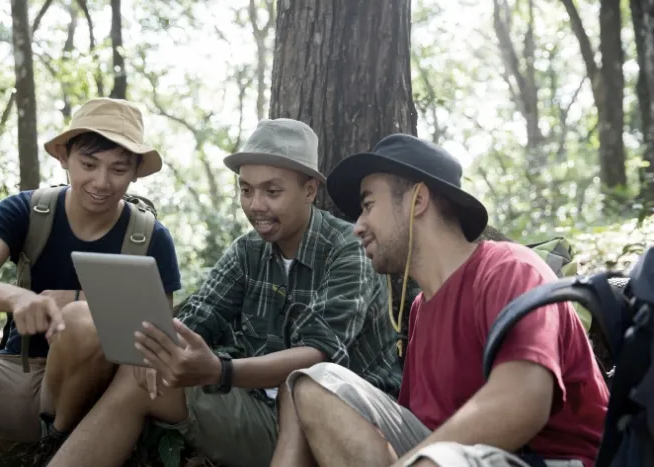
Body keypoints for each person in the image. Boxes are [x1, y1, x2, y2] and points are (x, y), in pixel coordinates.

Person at [46, 118, 402, 467]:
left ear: (309, 190)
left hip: (340, 429)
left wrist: (219, 370)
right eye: (246, 190)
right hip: (262, 413)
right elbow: (200, 314)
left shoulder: (347, 249)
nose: (255, 205)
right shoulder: (248, 252)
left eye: (272, 191)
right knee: (138, 378)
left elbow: (316, 356)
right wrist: (161, 349)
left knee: (298, 391)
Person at [281, 134, 610, 467]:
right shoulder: (420, 310)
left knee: (438, 459)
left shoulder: (510, 269)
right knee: (312, 386)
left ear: (417, 200)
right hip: (447, 458)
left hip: (551, 461)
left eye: (367, 206)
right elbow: (423, 428)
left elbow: (524, 402)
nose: (358, 227)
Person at [0, 98, 182, 454]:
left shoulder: (150, 237)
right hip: (16, 379)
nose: (101, 181)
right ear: (64, 159)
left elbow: (158, 330)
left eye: (118, 169)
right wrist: (16, 297)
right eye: (88, 164)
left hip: (97, 396)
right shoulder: (26, 210)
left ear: (135, 173)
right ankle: (44, 434)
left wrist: (74, 301)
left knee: (80, 320)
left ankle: (56, 444)